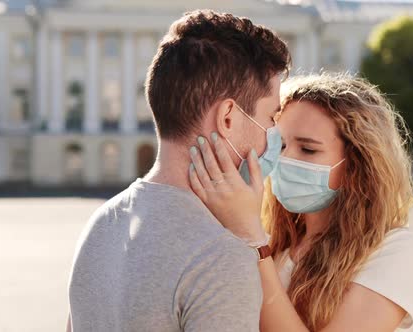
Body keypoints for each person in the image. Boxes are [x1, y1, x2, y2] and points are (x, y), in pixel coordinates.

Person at [67, 10, 290, 331]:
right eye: (271, 117)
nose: (274, 135)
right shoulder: (222, 257)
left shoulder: (102, 223)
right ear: (228, 117)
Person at [188, 73, 413, 331]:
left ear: (357, 165)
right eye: (280, 146)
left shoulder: (395, 248)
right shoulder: (274, 243)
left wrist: (251, 239)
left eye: (308, 149)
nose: (285, 159)